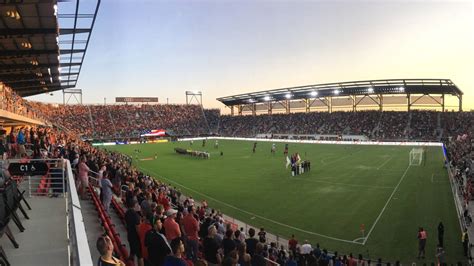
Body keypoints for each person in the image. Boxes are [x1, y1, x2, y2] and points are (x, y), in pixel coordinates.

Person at [125, 199, 143, 266]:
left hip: (130, 235)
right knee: (140, 255)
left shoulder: (127, 212)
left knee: (132, 250)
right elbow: (138, 229)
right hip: (135, 238)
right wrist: (141, 238)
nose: (138, 206)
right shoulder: (136, 216)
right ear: (135, 205)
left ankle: (130, 260)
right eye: (137, 204)